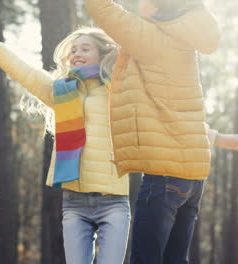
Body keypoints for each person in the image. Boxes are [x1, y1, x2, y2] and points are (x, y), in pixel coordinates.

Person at [0, 10, 130, 263]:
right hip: (74, 203)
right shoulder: (61, 92)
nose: (77, 55)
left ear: (103, 55)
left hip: (114, 202)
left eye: (85, 49)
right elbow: (24, 71)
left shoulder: (118, 91)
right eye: (73, 51)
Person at [84, 0, 221, 263]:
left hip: (164, 177)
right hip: (194, 175)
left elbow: (102, 9)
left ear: (159, 5)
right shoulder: (185, 41)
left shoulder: (151, 38)